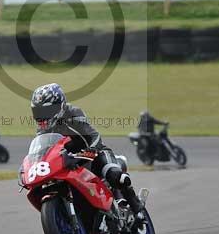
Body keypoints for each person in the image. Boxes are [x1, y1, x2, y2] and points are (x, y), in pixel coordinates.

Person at [30, 83, 144, 220]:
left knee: (115, 175)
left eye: (45, 112)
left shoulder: (73, 114)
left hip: (95, 153)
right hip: (69, 162)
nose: (41, 117)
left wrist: (84, 154)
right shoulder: (43, 130)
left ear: (59, 106)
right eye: (37, 112)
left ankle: (137, 208)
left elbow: (95, 137)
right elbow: (42, 152)